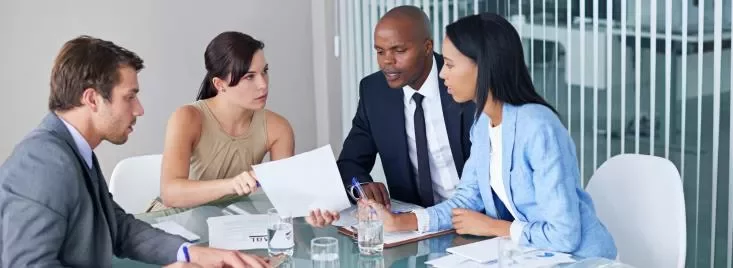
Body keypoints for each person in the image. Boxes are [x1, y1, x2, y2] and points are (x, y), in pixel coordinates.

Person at [311, 13, 617, 259]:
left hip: (580, 258)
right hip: (526, 255)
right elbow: (465, 199)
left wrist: (493, 227)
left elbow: (564, 234)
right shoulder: (484, 124)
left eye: (452, 65)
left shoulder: (538, 126)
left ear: (482, 68)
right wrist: (397, 222)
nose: (442, 73)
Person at [0, 36, 270, 267]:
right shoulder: (43, 164)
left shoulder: (73, 151)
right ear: (92, 99)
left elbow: (119, 228)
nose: (139, 109)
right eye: (129, 97)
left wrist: (192, 252)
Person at [335, 5, 475, 211]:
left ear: (427, 47)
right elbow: (349, 164)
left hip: (475, 218)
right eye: (380, 52)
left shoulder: (462, 81)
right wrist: (361, 186)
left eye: (399, 51)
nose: (386, 61)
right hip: (414, 224)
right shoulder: (374, 92)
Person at [148, 31, 295, 213]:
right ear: (219, 84)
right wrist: (231, 185)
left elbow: (285, 199)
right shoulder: (187, 118)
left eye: (264, 71)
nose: (263, 84)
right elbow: (170, 194)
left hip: (230, 222)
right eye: (249, 77)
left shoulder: (278, 128)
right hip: (174, 219)